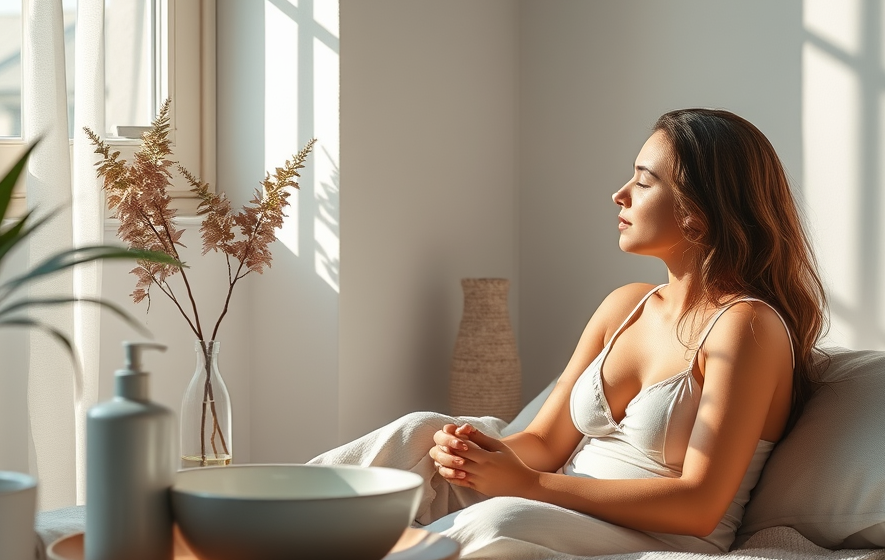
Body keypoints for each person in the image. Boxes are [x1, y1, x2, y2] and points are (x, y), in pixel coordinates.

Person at [310, 109, 827, 559]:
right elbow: (544, 440)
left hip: (657, 534)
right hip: (557, 499)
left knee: (500, 526)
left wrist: (528, 486)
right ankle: (258, 523)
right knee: (417, 433)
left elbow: (699, 505)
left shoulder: (746, 326)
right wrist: (481, 457)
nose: (619, 194)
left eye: (644, 182)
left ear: (698, 212)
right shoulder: (625, 305)